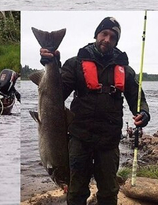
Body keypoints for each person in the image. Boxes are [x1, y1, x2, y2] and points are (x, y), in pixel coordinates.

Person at [39, 17, 150, 205]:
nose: (107, 39)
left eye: (113, 37)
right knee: (75, 192)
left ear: (116, 42)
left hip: (109, 141)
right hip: (79, 138)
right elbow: (57, 94)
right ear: (96, 35)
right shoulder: (75, 64)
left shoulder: (125, 70)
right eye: (104, 34)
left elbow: (137, 98)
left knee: (108, 192)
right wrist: (52, 63)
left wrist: (143, 113)